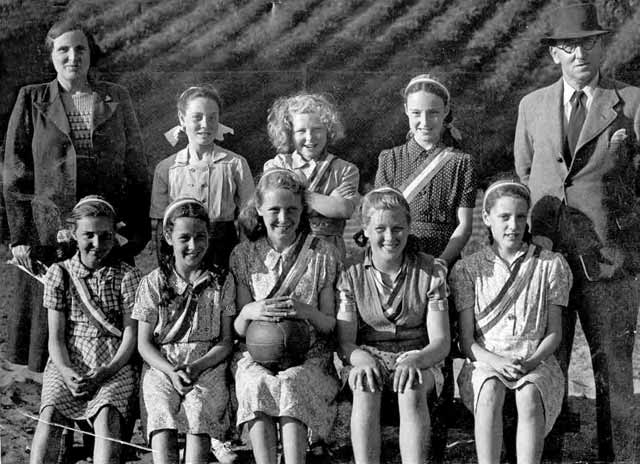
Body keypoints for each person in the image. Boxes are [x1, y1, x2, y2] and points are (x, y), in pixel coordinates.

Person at [513, 3, 640, 460]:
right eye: (569, 46)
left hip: (609, 262)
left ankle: (619, 457)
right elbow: (528, 173)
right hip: (547, 262)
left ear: (603, 46)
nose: (580, 54)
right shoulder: (532, 106)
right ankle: (545, 454)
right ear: (554, 55)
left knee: (615, 372)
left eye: (589, 43)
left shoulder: (633, 100)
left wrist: (625, 247)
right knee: (547, 364)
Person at [3, 20, 149, 372]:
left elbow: (136, 165)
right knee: (51, 332)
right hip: (48, 234)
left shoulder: (115, 97)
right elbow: (15, 171)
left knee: (102, 331)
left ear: (90, 54)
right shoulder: (32, 98)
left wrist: (136, 228)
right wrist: (22, 237)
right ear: (51, 55)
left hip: (104, 230)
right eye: (63, 50)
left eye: (80, 49)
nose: (72, 57)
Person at [450, 180, 572, 464]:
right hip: (484, 362)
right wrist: (496, 362)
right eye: (504, 217)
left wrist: (529, 363)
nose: (513, 226)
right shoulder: (468, 269)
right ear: (487, 218)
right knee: (490, 388)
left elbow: (554, 333)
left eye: (520, 217)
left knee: (529, 392)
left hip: (536, 361)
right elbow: (466, 341)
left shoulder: (549, 265)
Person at [230, 169, 340, 464]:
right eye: (274, 210)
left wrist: (306, 311)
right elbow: (239, 330)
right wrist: (250, 311)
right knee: (256, 383)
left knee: (291, 382)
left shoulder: (323, 254)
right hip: (256, 355)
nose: (283, 218)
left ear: (303, 209)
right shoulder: (244, 255)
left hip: (310, 355)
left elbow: (330, 325)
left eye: (291, 209)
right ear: (259, 210)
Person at [336, 187, 450, 463]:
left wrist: (416, 361)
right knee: (365, 385)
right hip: (368, 354)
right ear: (365, 228)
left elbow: (441, 342)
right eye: (380, 229)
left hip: (418, 356)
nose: (390, 237)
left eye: (398, 228)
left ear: (409, 228)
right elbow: (345, 341)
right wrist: (362, 359)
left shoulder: (430, 271)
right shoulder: (351, 272)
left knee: (411, 386)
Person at [29, 196, 142, 464]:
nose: (97, 244)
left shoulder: (127, 276)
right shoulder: (60, 273)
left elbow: (130, 335)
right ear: (73, 235)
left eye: (105, 236)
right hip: (69, 360)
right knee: (50, 413)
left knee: (107, 416)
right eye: (88, 235)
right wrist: (67, 372)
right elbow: (55, 338)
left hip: (115, 362)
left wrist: (107, 371)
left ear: (115, 236)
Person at [133, 198, 237, 464]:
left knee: (200, 411)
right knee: (160, 408)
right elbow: (144, 344)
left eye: (200, 237)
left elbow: (225, 341)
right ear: (168, 236)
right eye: (185, 238)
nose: (193, 246)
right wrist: (170, 371)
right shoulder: (153, 282)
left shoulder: (222, 282)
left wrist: (197, 366)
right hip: (162, 364)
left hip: (207, 363)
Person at [374, 74, 476, 265]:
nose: (425, 121)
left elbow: (465, 225)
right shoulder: (389, 159)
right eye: (416, 113)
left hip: (444, 260)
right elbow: (379, 219)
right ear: (406, 110)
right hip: (398, 259)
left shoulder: (461, 163)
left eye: (433, 113)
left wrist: (441, 263)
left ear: (446, 110)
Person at [150, 85, 254, 269]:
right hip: (183, 251)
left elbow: (249, 217)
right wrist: (166, 267)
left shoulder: (236, 164)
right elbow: (161, 226)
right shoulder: (167, 168)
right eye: (197, 117)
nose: (205, 124)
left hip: (224, 249)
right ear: (182, 119)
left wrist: (245, 259)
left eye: (212, 117)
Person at [264, 93, 359, 258]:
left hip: (330, 253)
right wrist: (328, 201)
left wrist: (295, 194)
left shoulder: (345, 169)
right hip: (287, 251)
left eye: (317, 129)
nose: (310, 137)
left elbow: (343, 209)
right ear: (289, 133)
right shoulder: (277, 165)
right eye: (301, 131)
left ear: (328, 130)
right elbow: (275, 204)